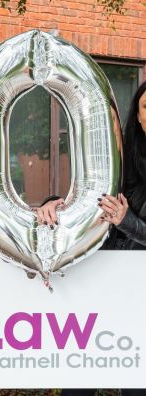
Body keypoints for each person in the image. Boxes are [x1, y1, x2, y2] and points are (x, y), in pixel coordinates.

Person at [39, 84, 146, 395]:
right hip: (102, 281)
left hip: (140, 296)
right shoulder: (121, 160)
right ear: (138, 118)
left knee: (137, 384)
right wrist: (53, 202)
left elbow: (125, 220)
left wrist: (129, 222)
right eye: (145, 107)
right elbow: (88, 196)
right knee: (81, 380)